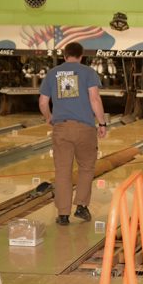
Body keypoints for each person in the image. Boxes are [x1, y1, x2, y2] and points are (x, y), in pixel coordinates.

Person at [39, 42, 108, 225]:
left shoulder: (52, 73)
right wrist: (102, 123)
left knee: (62, 171)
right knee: (86, 167)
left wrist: (49, 117)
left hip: (61, 128)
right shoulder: (88, 72)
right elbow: (95, 98)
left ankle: (63, 214)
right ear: (81, 56)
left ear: (64, 56)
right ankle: (81, 207)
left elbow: (43, 102)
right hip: (85, 128)